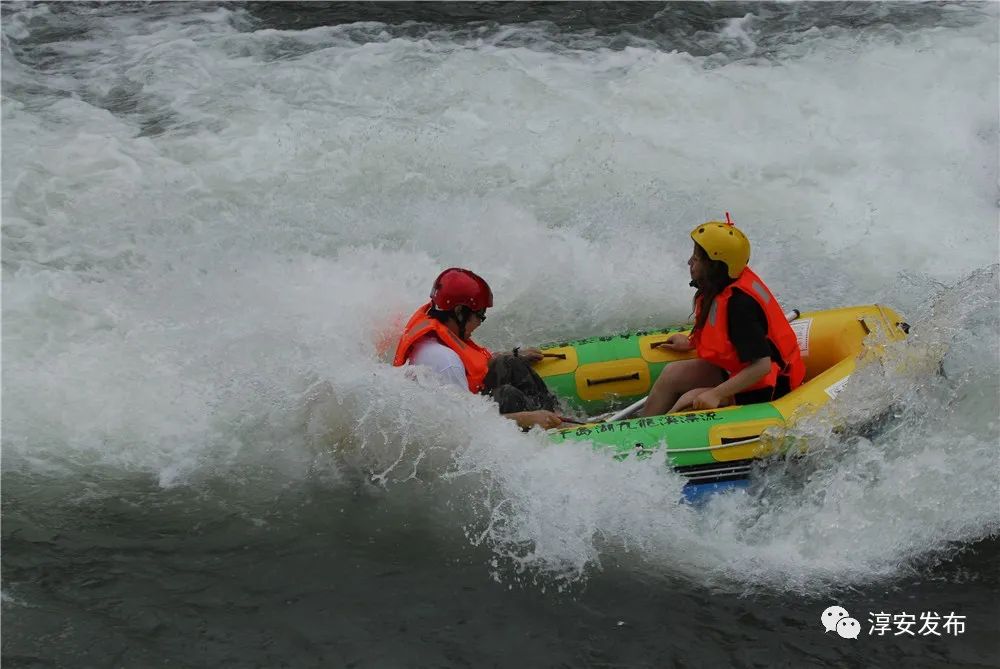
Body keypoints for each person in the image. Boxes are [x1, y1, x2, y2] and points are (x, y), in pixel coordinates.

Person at [641, 215, 805, 416]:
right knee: (671, 374)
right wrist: (692, 342)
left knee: (689, 400)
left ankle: (651, 440)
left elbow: (761, 366)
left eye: (697, 258)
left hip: (772, 383)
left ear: (715, 266)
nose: (689, 262)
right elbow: (720, 331)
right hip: (738, 369)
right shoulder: (719, 284)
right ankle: (635, 428)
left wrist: (717, 394)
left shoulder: (739, 306)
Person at [393, 267, 565, 430]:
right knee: (508, 395)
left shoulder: (438, 319)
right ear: (459, 312)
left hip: (459, 397)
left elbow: (478, 364)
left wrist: (511, 355)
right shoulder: (446, 362)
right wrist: (529, 418)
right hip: (456, 422)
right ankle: (553, 427)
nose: (480, 322)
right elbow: (464, 426)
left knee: (509, 363)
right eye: (480, 316)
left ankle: (557, 416)